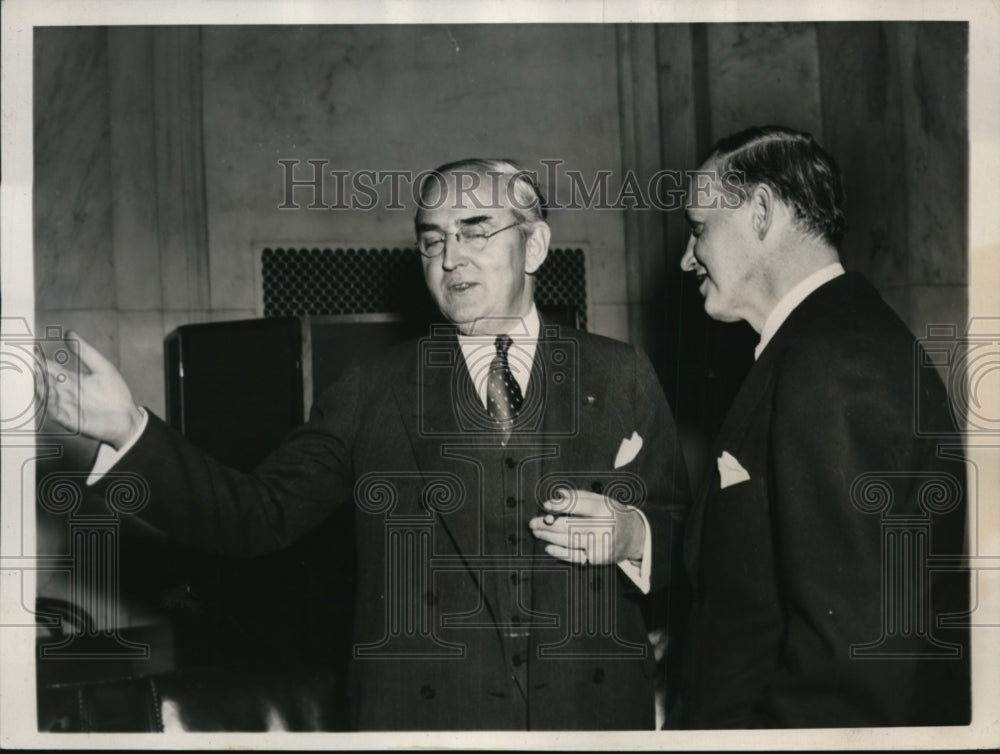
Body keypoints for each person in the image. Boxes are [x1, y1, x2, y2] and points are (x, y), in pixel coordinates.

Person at [42, 158, 690, 730]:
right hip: (426, 719)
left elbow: (691, 533)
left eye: (474, 230)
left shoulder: (620, 372)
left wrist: (636, 536)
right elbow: (254, 515)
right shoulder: (372, 388)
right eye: (432, 240)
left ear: (536, 245)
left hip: (592, 718)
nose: (449, 257)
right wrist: (128, 430)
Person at [671, 126, 970, 728]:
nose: (685, 257)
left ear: (760, 212)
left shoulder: (833, 362)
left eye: (698, 228)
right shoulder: (822, 341)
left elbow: (856, 669)